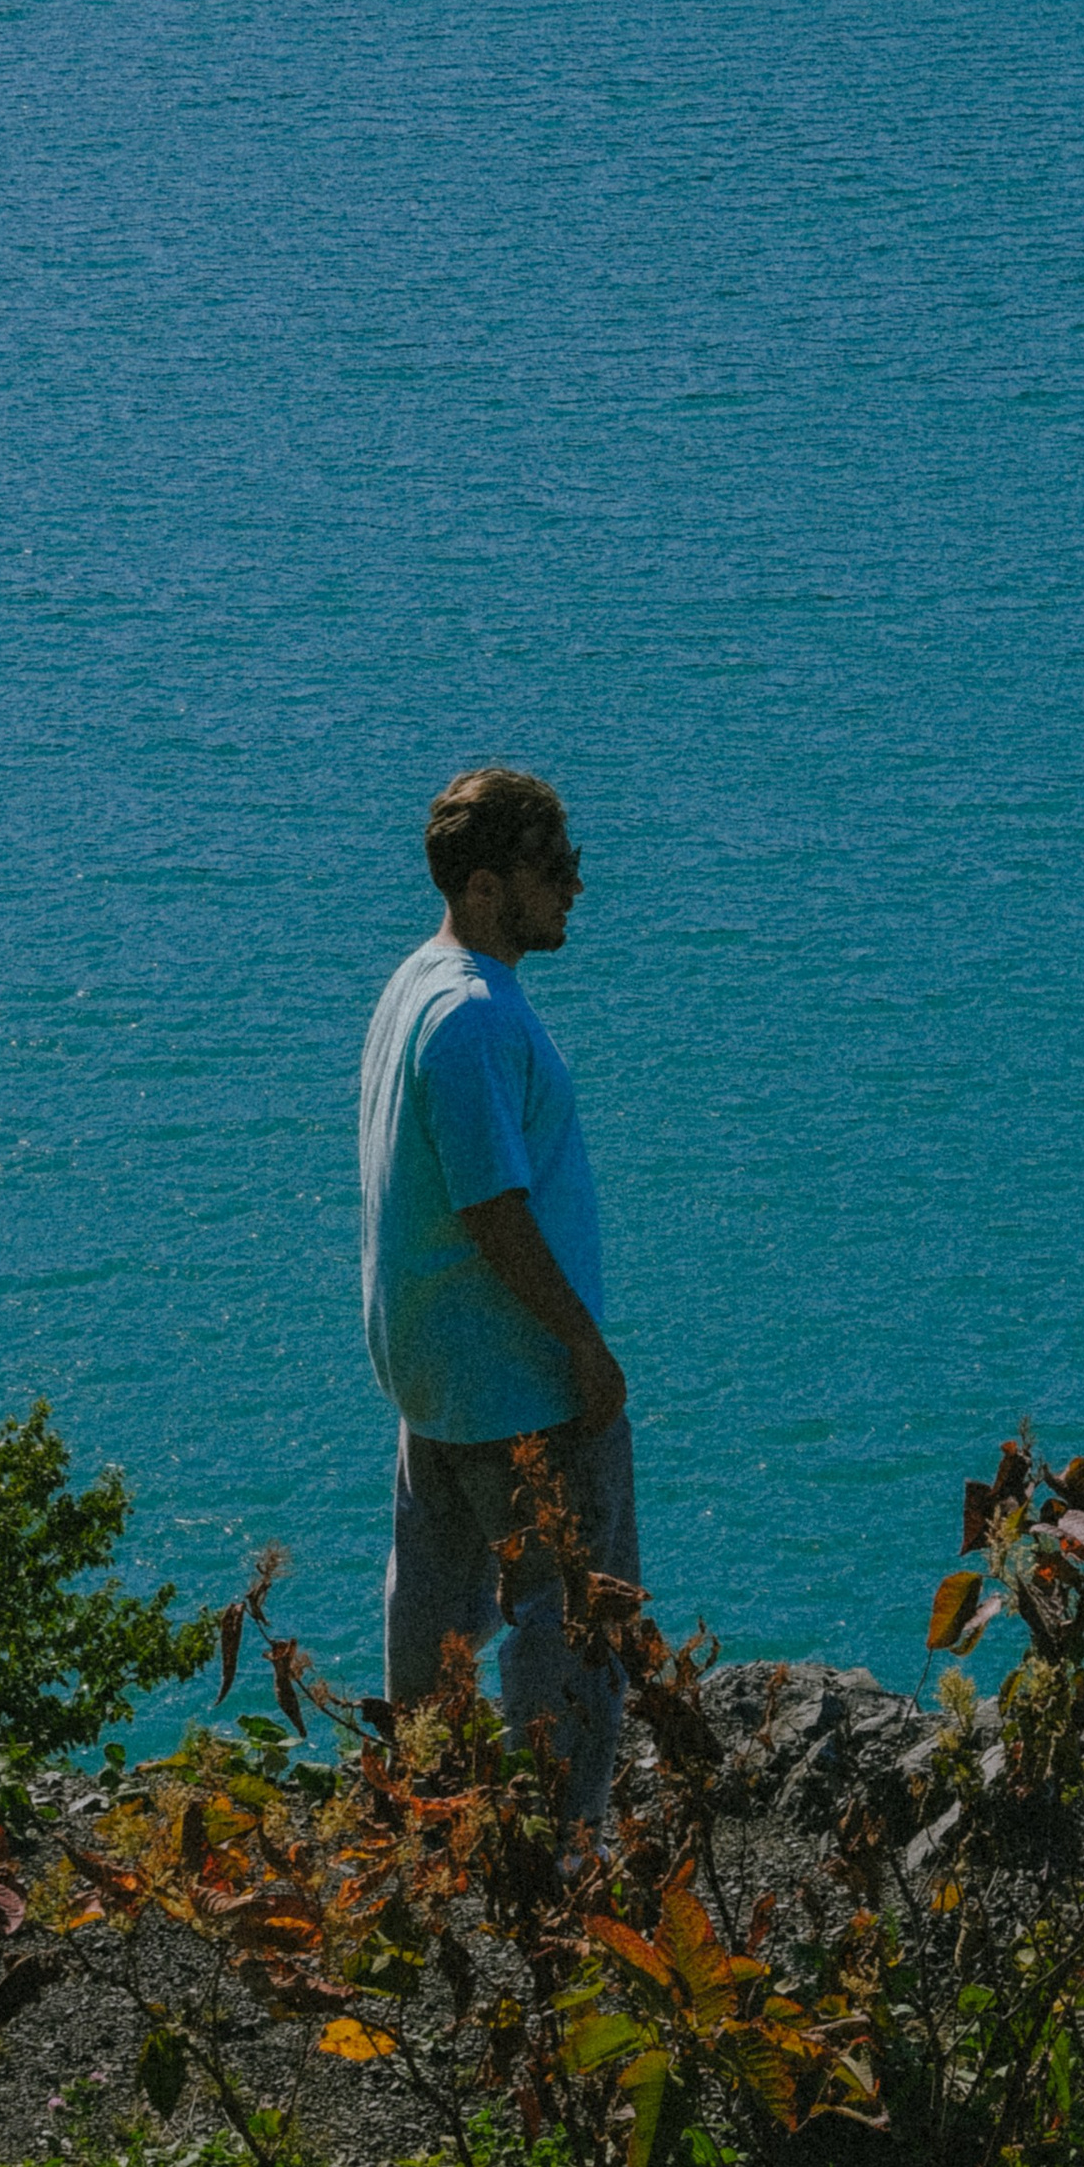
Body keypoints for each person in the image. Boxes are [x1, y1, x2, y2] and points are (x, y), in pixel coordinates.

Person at [357, 764, 635, 1826]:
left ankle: (425, 1825)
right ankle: (564, 1852)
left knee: (432, 1618)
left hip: (436, 1374)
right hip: (516, 1381)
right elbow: (493, 1206)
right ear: (483, 886)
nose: (573, 887)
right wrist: (581, 1345)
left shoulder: (414, 984)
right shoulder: (473, 1017)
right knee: (570, 1619)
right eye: (551, 868)